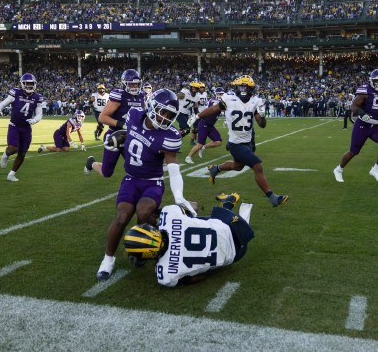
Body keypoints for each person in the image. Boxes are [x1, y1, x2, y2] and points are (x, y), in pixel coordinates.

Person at [95, 88, 196, 281]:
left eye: (170, 115)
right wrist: (117, 139)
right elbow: (124, 130)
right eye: (163, 112)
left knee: (142, 212)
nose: (165, 118)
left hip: (152, 182)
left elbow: (173, 167)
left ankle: (154, 245)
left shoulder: (169, 135)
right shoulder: (133, 115)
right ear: (151, 106)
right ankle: (108, 260)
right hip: (131, 180)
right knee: (122, 215)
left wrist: (179, 196)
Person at [193, 75, 288, 207]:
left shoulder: (255, 101)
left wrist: (263, 115)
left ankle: (215, 168)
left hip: (247, 142)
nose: (243, 89)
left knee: (237, 166)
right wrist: (197, 116)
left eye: (246, 87)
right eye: (241, 86)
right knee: (257, 165)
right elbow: (214, 109)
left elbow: (262, 124)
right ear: (237, 87)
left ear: (251, 88)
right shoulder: (229, 98)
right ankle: (272, 197)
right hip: (235, 143)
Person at [123, 192, 254, 287]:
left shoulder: (166, 275)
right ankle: (227, 205)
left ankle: (228, 204)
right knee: (193, 220)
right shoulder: (169, 214)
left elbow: (197, 277)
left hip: (237, 254)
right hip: (231, 225)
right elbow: (194, 206)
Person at [333, 69, 378, 184]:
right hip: (363, 125)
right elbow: (353, 105)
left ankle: (375, 170)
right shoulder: (365, 90)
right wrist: (362, 114)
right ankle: (338, 169)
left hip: (376, 125)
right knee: (353, 151)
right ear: (371, 80)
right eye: (376, 80)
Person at [84, 69, 145, 178]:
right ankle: (91, 163)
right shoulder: (119, 95)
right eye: (131, 84)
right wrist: (123, 124)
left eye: (136, 84)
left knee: (138, 168)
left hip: (131, 137)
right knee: (106, 172)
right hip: (114, 136)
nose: (134, 86)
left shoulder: (141, 96)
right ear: (124, 84)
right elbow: (102, 117)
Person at [0, 73, 44, 182]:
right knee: (13, 148)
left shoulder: (37, 97)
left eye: (31, 84)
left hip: (26, 128)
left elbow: (39, 113)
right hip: (14, 125)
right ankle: (5, 155)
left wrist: (35, 120)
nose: (29, 86)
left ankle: (11, 174)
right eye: (27, 84)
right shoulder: (16, 93)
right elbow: (5, 102)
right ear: (23, 84)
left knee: (22, 153)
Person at [185, 87, 225, 164]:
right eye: (219, 94)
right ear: (216, 94)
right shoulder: (213, 100)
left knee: (218, 142)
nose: (221, 95)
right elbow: (217, 106)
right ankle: (188, 157)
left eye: (222, 94)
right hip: (204, 124)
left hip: (210, 125)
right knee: (200, 143)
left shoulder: (222, 101)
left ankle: (203, 148)